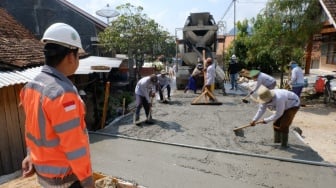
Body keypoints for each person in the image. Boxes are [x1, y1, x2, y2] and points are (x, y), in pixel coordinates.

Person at [20, 23, 94, 187]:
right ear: (70, 56)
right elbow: (74, 145)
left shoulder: (31, 86)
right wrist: (87, 180)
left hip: (44, 176)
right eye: (78, 56)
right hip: (66, 178)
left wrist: (30, 154)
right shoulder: (62, 94)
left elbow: (32, 128)